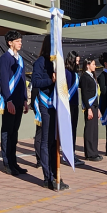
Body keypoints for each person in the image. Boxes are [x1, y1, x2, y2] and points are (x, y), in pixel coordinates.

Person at [31, 37, 67, 190]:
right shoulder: (40, 62)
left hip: (57, 105)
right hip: (46, 104)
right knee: (46, 141)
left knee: (54, 142)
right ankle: (48, 177)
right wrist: (50, 80)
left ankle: (55, 172)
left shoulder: (57, 62)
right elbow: (35, 82)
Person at [0, 30, 28, 176]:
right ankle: (7, 163)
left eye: (20, 40)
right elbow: (3, 80)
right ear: (10, 42)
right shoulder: (5, 58)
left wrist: (25, 99)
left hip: (19, 101)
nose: (20, 43)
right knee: (7, 132)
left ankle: (14, 161)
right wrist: (8, 100)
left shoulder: (20, 59)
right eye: (17, 41)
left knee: (14, 133)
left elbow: (23, 80)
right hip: (10, 101)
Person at [62, 51, 83, 167]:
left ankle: (72, 153)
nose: (78, 63)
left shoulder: (75, 73)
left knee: (73, 130)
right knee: (68, 130)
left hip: (75, 104)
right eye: (77, 61)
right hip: (68, 104)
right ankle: (67, 154)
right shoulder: (65, 72)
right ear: (71, 60)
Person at [80, 57, 102, 162]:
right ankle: (89, 153)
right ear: (87, 65)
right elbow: (84, 94)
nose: (95, 66)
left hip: (94, 106)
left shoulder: (92, 76)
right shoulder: (85, 77)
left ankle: (94, 151)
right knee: (89, 130)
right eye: (93, 64)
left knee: (94, 130)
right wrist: (88, 108)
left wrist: (97, 109)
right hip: (89, 106)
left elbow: (95, 94)